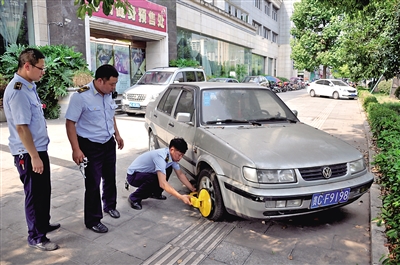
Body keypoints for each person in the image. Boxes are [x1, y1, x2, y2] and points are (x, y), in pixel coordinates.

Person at [2, 48, 60, 251]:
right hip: (27, 153)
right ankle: (36, 236)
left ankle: (43, 225)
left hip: (37, 149)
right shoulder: (18, 91)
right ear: (27, 66)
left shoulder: (29, 85)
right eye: (40, 68)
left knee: (44, 191)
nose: (43, 72)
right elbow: (21, 127)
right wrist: (34, 156)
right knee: (35, 194)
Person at [65, 64, 124, 233]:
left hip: (108, 142)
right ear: (100, 81)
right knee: (92, 183)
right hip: (90, 145)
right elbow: (70, 123)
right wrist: (76, 149)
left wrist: (117, 135)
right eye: (111, 84)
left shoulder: (107, 94)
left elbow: (110, 116)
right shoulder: (81, 97)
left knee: (110, 176)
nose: (114, 88)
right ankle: (92, 220)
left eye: (115, 84)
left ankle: (110, 205)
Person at [126, 137, 196, 210]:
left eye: (182, 155)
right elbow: (162, 183)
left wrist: (192, 188)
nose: (180, 158)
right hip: (133, 176)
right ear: (172, 150)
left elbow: (180, 174)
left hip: (146, 173)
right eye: (179, 155)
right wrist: (181, 197)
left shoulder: (170, 157)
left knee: (168, 168)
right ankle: (134, 198)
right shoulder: (161, 157)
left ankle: (156, 193)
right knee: (153, 179)